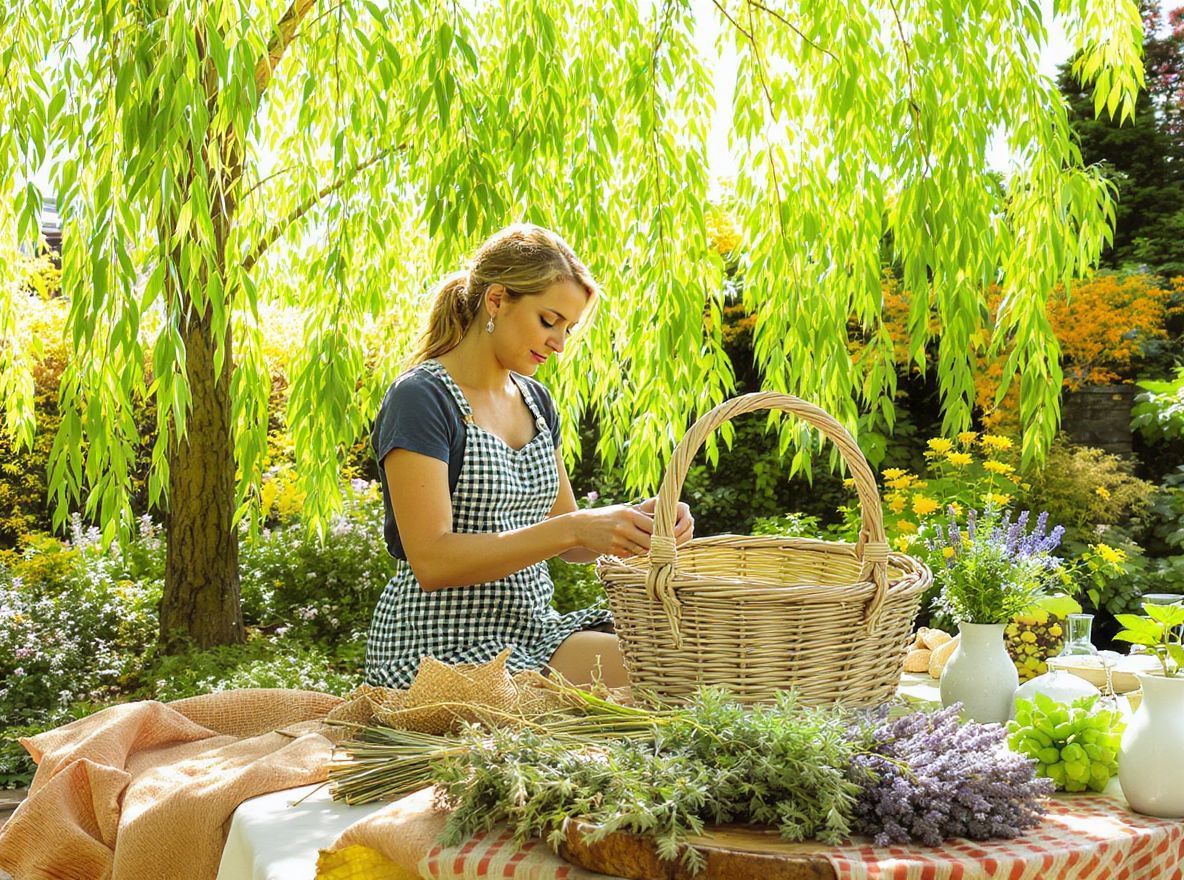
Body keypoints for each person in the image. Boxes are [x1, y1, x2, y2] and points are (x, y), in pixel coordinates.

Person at [365, 224, 694, 691]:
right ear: (497, 300)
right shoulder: (421, 398)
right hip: (439, 646)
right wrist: (575, 527)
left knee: (680, 653)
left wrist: (636, 521)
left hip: (533, 630)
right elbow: (433, 561)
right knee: (662, 675)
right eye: (548, 321)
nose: (559, 343)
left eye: (567, 329)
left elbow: (573, 543)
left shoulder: (536, 401)